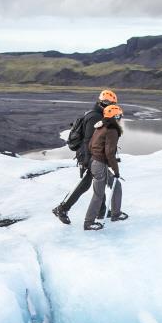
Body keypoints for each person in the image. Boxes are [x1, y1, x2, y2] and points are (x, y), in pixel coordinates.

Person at [53, 90, 118, 224]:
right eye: (107, 102)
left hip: (91, 155)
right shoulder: (95, 117)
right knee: (86, 183)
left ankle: (101, 211)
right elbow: (89, 141)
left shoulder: (97, 114)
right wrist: (89, 160)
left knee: (96, 182)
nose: (109, 105)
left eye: (111, 103)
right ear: (101, 102)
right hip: (88, 156)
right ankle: (62, 208)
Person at [83, 103, 127, 230]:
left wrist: (98, 157)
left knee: (116, 185)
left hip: (95, 162)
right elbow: (109, 153)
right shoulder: (112, 130)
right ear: (114, 116)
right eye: (118, 116)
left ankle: (116, 213)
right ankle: (88, 222)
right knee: (99, 194)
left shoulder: (100, 126)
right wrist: (116, 170)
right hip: (99, 164)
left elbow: (91, 145)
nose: (120, 118)